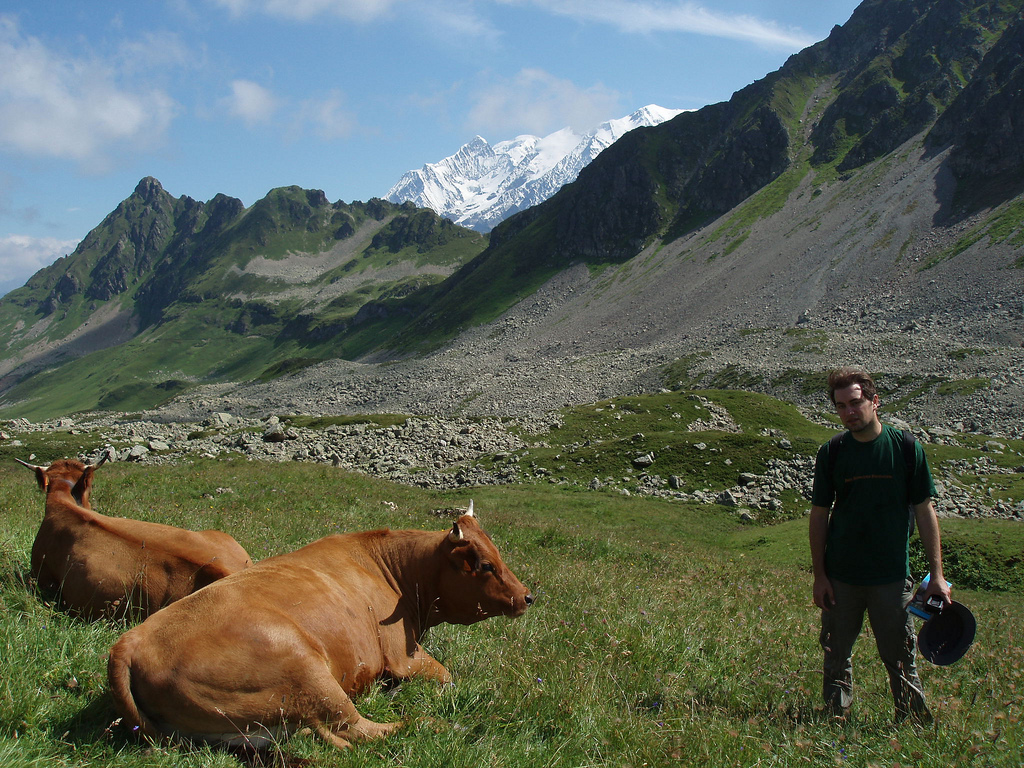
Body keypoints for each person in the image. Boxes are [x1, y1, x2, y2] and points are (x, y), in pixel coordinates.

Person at [808, 366, 951, 723]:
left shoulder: (905, 449)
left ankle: (914, 724)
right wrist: (820, 575)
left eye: (855, 403)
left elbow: (925, 511)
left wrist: (937, 576)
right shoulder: (833, 452)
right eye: (840, 406)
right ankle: (834, 719)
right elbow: (819, 514)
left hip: (891, 577)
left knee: (900, 655)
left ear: (875, 402)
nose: (848, 412)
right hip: (841, 577)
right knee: (836, 652)